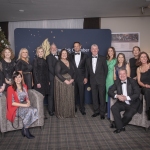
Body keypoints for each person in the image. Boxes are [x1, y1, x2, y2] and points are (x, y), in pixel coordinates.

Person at [6, 72, 38, 139]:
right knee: (30, 111)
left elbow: (26, 96)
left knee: (35, 110)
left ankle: (24, 128)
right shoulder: (10, 88)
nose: (18, 79)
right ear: (14, 79)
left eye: (19, 77)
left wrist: (28, 101)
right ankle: (26, 130)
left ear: (21, 78)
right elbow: (11, 103)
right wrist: (25, 105)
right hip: (15, 108)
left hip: (23, 105)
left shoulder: (24, 86)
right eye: (16, 77)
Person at [108, 69, 141, 133]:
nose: (122, 75)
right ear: (118, 75)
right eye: (120, 74)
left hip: (133, 103)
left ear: (126, 74)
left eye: (123, 74)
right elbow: (110, 91)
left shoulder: (132, 81)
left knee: (128, 115)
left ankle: (116, 124)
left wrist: (126, 98)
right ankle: (120, 127)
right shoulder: (117, 82)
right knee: (114, 108)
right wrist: (117, 96)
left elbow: (137, 94)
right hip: (122, 103)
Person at [86, 44, 108, 119]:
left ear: (98, 50)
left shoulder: (103, 58)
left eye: (96, 49)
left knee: (102, 97)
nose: (95, 50)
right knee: (94, 96)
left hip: (101, 80)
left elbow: (106, 70)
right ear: (91, 50)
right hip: (92, 81)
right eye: (93, 49)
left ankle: (102, 113)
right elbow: (87, 70)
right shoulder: (88, 59)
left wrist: (103, 78)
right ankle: (96, 111)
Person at [54, 49, 76, 118]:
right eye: (63, 53)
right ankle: (62, 113)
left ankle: (69, 113)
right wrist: (65, 80)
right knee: (63, 97)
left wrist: (72, 79)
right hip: (61, 82)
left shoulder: (70, 62)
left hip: (70, 82)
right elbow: (57, 73)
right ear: (60, 54)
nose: (64, 54)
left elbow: (74, 71)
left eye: (65, 53)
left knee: (69, 97)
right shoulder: (58, 62)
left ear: (67, 55)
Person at [70, 42, 88, 115]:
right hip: (73, 78)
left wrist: (86, 77)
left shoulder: (85, 56)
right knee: (73, 94)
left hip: (81, 77)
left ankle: (82, 108)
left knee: (81, 93)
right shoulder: (70, 56)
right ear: (73, 47)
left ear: (80, 46)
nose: (76, 47)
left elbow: (86, 68)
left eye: (77, 46)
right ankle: (73, 108)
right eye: (75, 46)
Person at [136, 52, 150, 120]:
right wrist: (145, 85)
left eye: (145, 57)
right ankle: (148, 112)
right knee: (147, 91)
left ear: (147, 58)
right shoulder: (139, 69)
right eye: (142, 57)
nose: (144, 58)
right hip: (144, 87)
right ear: (139, 59)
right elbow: (139, 81)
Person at [46, 43, 58, 116]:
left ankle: (55, 108)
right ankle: (50, 110)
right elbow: (50, 68)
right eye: (52, 48)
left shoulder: (59, 56)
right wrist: (58, 76)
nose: (53, 49)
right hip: (52, 78)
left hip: (58, 79)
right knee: (51, 94)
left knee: (56, 94)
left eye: (54, 48)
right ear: (50, 49)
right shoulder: (48, 57)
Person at [105, 47, 117, 118]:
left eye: (111, 51)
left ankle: (112, 111)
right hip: (106, 78)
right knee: (106, 93)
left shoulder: (116, 60)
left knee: (111, 92)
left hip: (112, 78)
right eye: (109, 51)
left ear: (113, 52)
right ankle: (108, 110)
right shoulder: (106, 60)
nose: (110, 52)